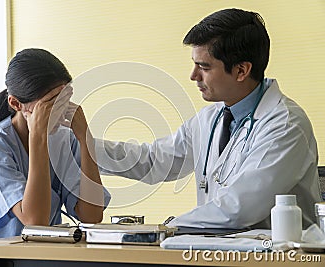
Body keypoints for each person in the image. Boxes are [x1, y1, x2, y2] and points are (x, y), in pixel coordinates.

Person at [94, 8, 321, 229]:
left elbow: (239, 209)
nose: (193, 76)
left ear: (241, 70)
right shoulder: (209, 119)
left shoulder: (285, 126)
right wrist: (80, 145)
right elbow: (153, 160)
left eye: (204, 67)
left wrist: (169, 228)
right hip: (213, 252)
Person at [0, 48, 110, 267]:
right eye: (51, 103)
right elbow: (36, 222)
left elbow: (91, 215)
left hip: (31, 260)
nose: (62, 109)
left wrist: (85, 139)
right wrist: (38, 138)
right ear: (17, 104)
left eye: (66, 98)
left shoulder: (64, 140)